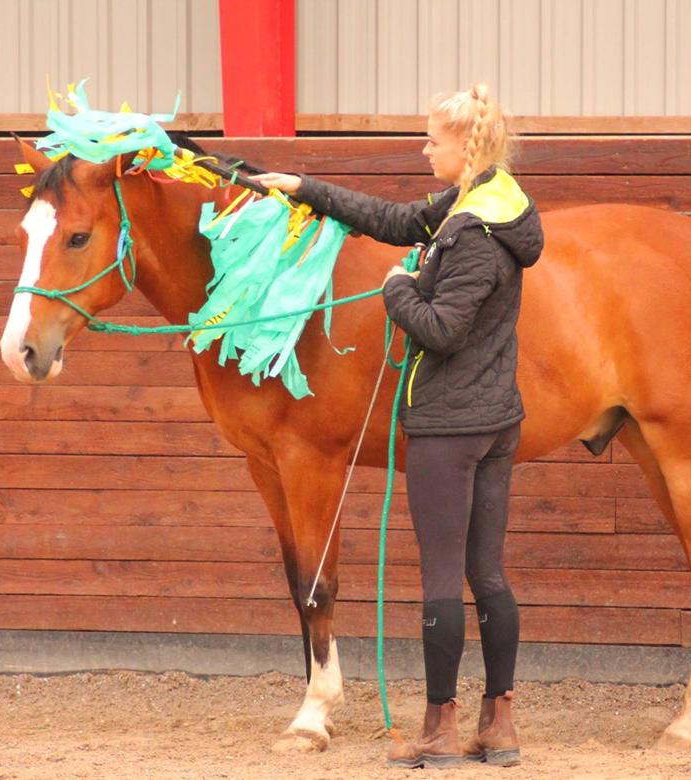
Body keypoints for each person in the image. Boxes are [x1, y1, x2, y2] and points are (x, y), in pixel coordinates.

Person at [255, 82, 543, 769]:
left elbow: (441, 330)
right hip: (495, 417)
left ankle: (439, 732)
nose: (424, 149)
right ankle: (497, 723)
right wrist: (305, 187)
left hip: (451, 425)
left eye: (432, 140)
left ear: (466, 147)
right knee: (488, 576)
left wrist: (395, 289)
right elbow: (392, 219)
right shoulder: (483, 207)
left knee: (445, 578)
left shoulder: (472, 234)